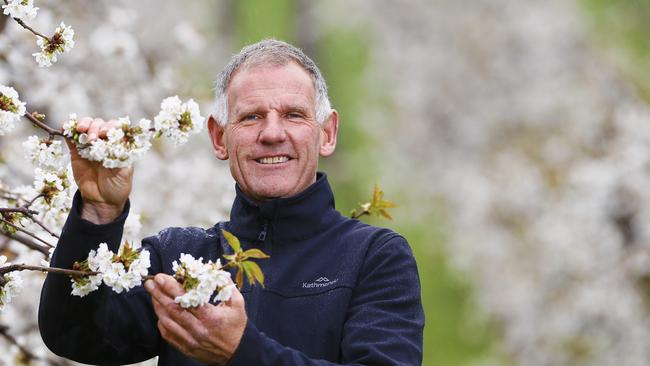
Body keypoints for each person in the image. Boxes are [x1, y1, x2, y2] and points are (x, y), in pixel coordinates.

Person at [39, 39, 424, 365]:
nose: (272, 133)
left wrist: (242, 352)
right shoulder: (175, 258)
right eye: (252, 117)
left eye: (293, 115)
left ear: (327, 133)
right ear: (220, 138)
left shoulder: (374, 258)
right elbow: (73, 334)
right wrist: (98, 214)